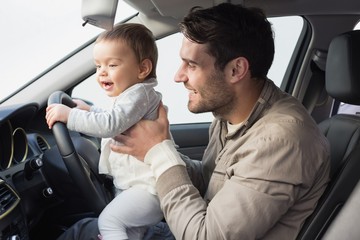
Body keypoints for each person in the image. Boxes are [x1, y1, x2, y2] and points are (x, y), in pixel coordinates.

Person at [56, 3, 331, 240]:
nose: (178, 76)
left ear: (236, 70)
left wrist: (160, 152)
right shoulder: (232, 115)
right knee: (86, 228)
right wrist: (150, 150)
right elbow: (212, 181)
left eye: (192, 65)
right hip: (192, 223)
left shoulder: (281, 140)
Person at [46, 23, 165, 240]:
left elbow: (111, 124)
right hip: (137, 186)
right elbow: (120, 119)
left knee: (108, 221)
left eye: (111, 65)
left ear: (142, 69)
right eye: (98, 66)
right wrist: (91, 110)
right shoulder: (133, 96)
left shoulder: (140, 94)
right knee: (129, 231)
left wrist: (70, 116)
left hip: (148, 189)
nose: (102, 73)